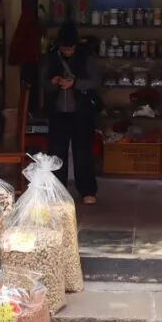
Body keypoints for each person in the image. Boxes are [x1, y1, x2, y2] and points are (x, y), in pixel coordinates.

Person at [42, 22, 100, 204]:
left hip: (82, 112)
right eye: (64, 48)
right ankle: (57, 191)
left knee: (83, 152)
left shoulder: (86, 57)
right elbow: (42, 83)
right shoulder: (51, 58)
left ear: (76, 45)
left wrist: (75, 84)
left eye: (71, 48)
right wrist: (54, 82)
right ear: (59, 45)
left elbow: (96, 81)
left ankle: (88, 191)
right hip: (58, 111)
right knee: (56, 153)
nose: (67, 51)